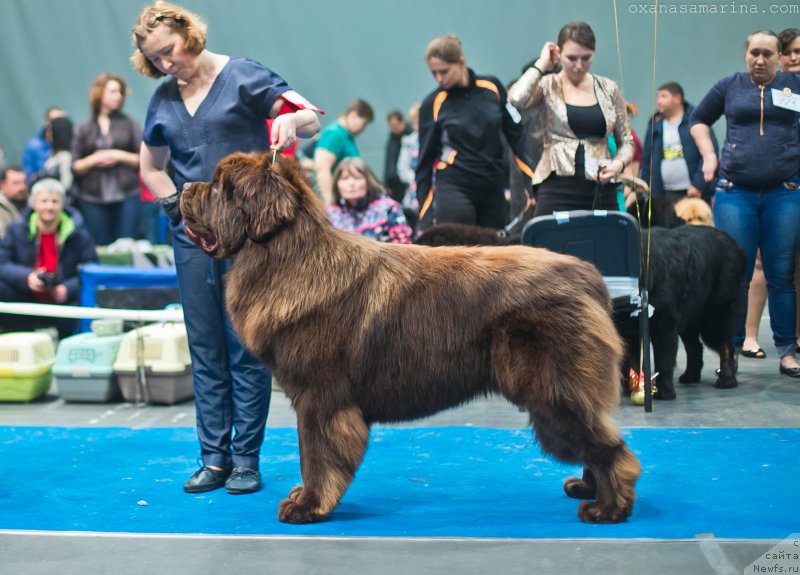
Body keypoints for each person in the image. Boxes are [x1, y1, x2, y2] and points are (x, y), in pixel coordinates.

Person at [133, 1, 320, 495]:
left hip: (249, 241)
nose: (165, 64)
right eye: (154, 59)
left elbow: (311, 120)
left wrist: (292, 122)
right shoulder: (162, 99)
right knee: (205, 347)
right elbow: (150, 166)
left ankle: (245, 460)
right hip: (191, 239)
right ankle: (213, 459)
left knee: (247, 347)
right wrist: (175, 205)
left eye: (169, 51)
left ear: (188, 34)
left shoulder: (244, 76)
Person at [690, 29, 800, 378]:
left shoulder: (794, 86)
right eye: (755, 53)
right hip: (735, 193)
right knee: (735, 274)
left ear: (780, 57)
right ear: (745, 55)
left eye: (768, 53)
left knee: (781, 274)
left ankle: (787, 352)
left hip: (784, 192)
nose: (760, 60)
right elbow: (698, 120)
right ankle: (730, 352)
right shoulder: (729, 86)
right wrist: (709, 155)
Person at [508, 21, 633, 217]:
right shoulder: (547, 85)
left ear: (594, 53)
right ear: (558, 54)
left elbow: (627, 142)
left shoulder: (609, 89)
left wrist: (618, 164)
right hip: (555, 189)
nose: (579, 65)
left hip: (601, 187)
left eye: (586, 58)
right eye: (571, 58)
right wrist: (542, 63)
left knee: (606, 236)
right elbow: (516, 99)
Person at [415, 35, 533, 233]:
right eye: (434, 73)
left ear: (461, 62)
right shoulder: (433, 103)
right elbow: (424, 164)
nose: (439, 78)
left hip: (492, 186)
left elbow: (517, 134)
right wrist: (425, 217)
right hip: (455, 187)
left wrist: (531, 182)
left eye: (444, 71)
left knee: (496, 249)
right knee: (460, 248)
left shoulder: (492, 87)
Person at [743, 27, 800, 359]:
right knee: (763, 263)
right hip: (779, 185)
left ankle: (796, 336)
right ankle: (750, 336)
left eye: (799, 52)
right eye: (789, 51)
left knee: (795, 266)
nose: (794, 57)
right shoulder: (770, 90)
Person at [0, 178, 97, 339]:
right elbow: (2, 262)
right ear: (33, 204)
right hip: (26, 296)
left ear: (63, 204)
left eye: (54, 201)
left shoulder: (79, 233)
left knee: (81, 296)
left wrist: (67, 288)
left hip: (64, 300)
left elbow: (91, 267)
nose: (49, 207)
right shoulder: (16, 229)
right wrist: (27, 277)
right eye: (44, 201)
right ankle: (20, 341)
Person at [71, 73, 142, 246]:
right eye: (113, 91)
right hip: (92, 197)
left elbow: (143, 160)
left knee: (126, 244)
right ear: (99, 93)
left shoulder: (130, 124)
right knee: (99, 245)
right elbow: (75, 166)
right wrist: (94, 159)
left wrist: (118, 155)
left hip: (127, 195)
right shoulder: (83, 128)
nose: (118, 96)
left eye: (120, 92)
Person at [640, 82, 717, 205]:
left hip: (694, 192)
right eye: (658, 97)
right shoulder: (655, 125)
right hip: (663, 195)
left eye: (664, 96)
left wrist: (699, 185)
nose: (659, 101)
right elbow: (647, 160)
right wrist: (645, 187)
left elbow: (708, 155)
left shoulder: (696, 121)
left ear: (677, 99)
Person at [326, 157, 413, 244]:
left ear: (368, 181)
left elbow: (403, 245)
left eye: (357, 178)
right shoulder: (329, 213)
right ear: (336, 184)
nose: (351, 183)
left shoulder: (389, 208)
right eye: (345, 179)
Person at [314, 98, 374, 205]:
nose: (363, 128)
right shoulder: (334, 134)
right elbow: (322, 168)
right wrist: (330, 202)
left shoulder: (347, 136)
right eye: (364, 123)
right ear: (353, 115)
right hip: (334, 202)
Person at [22, 107, 66, 185]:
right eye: (54, 121)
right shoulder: (34, 146)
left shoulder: (72, 143)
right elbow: (28, 176)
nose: (59, 124)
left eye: (62, 121)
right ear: (47, 123)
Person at [41, 116, 76, 199]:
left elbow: (66, 185)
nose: (47, 134)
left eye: (50, 131)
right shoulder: (53, 153)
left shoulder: (65, 156)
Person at [383, 110, 411, 203]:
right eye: (391, 126)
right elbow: (388, 162)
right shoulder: (392, 138)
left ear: (402, 122)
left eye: (395, 125)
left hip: (407, 183)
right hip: (394, 184)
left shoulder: (411, 137)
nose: (393, 128)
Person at [0, 165, 28, 237]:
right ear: (2, 185)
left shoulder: (32, 204)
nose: (22, 187)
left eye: (24, 182)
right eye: (16, 183)